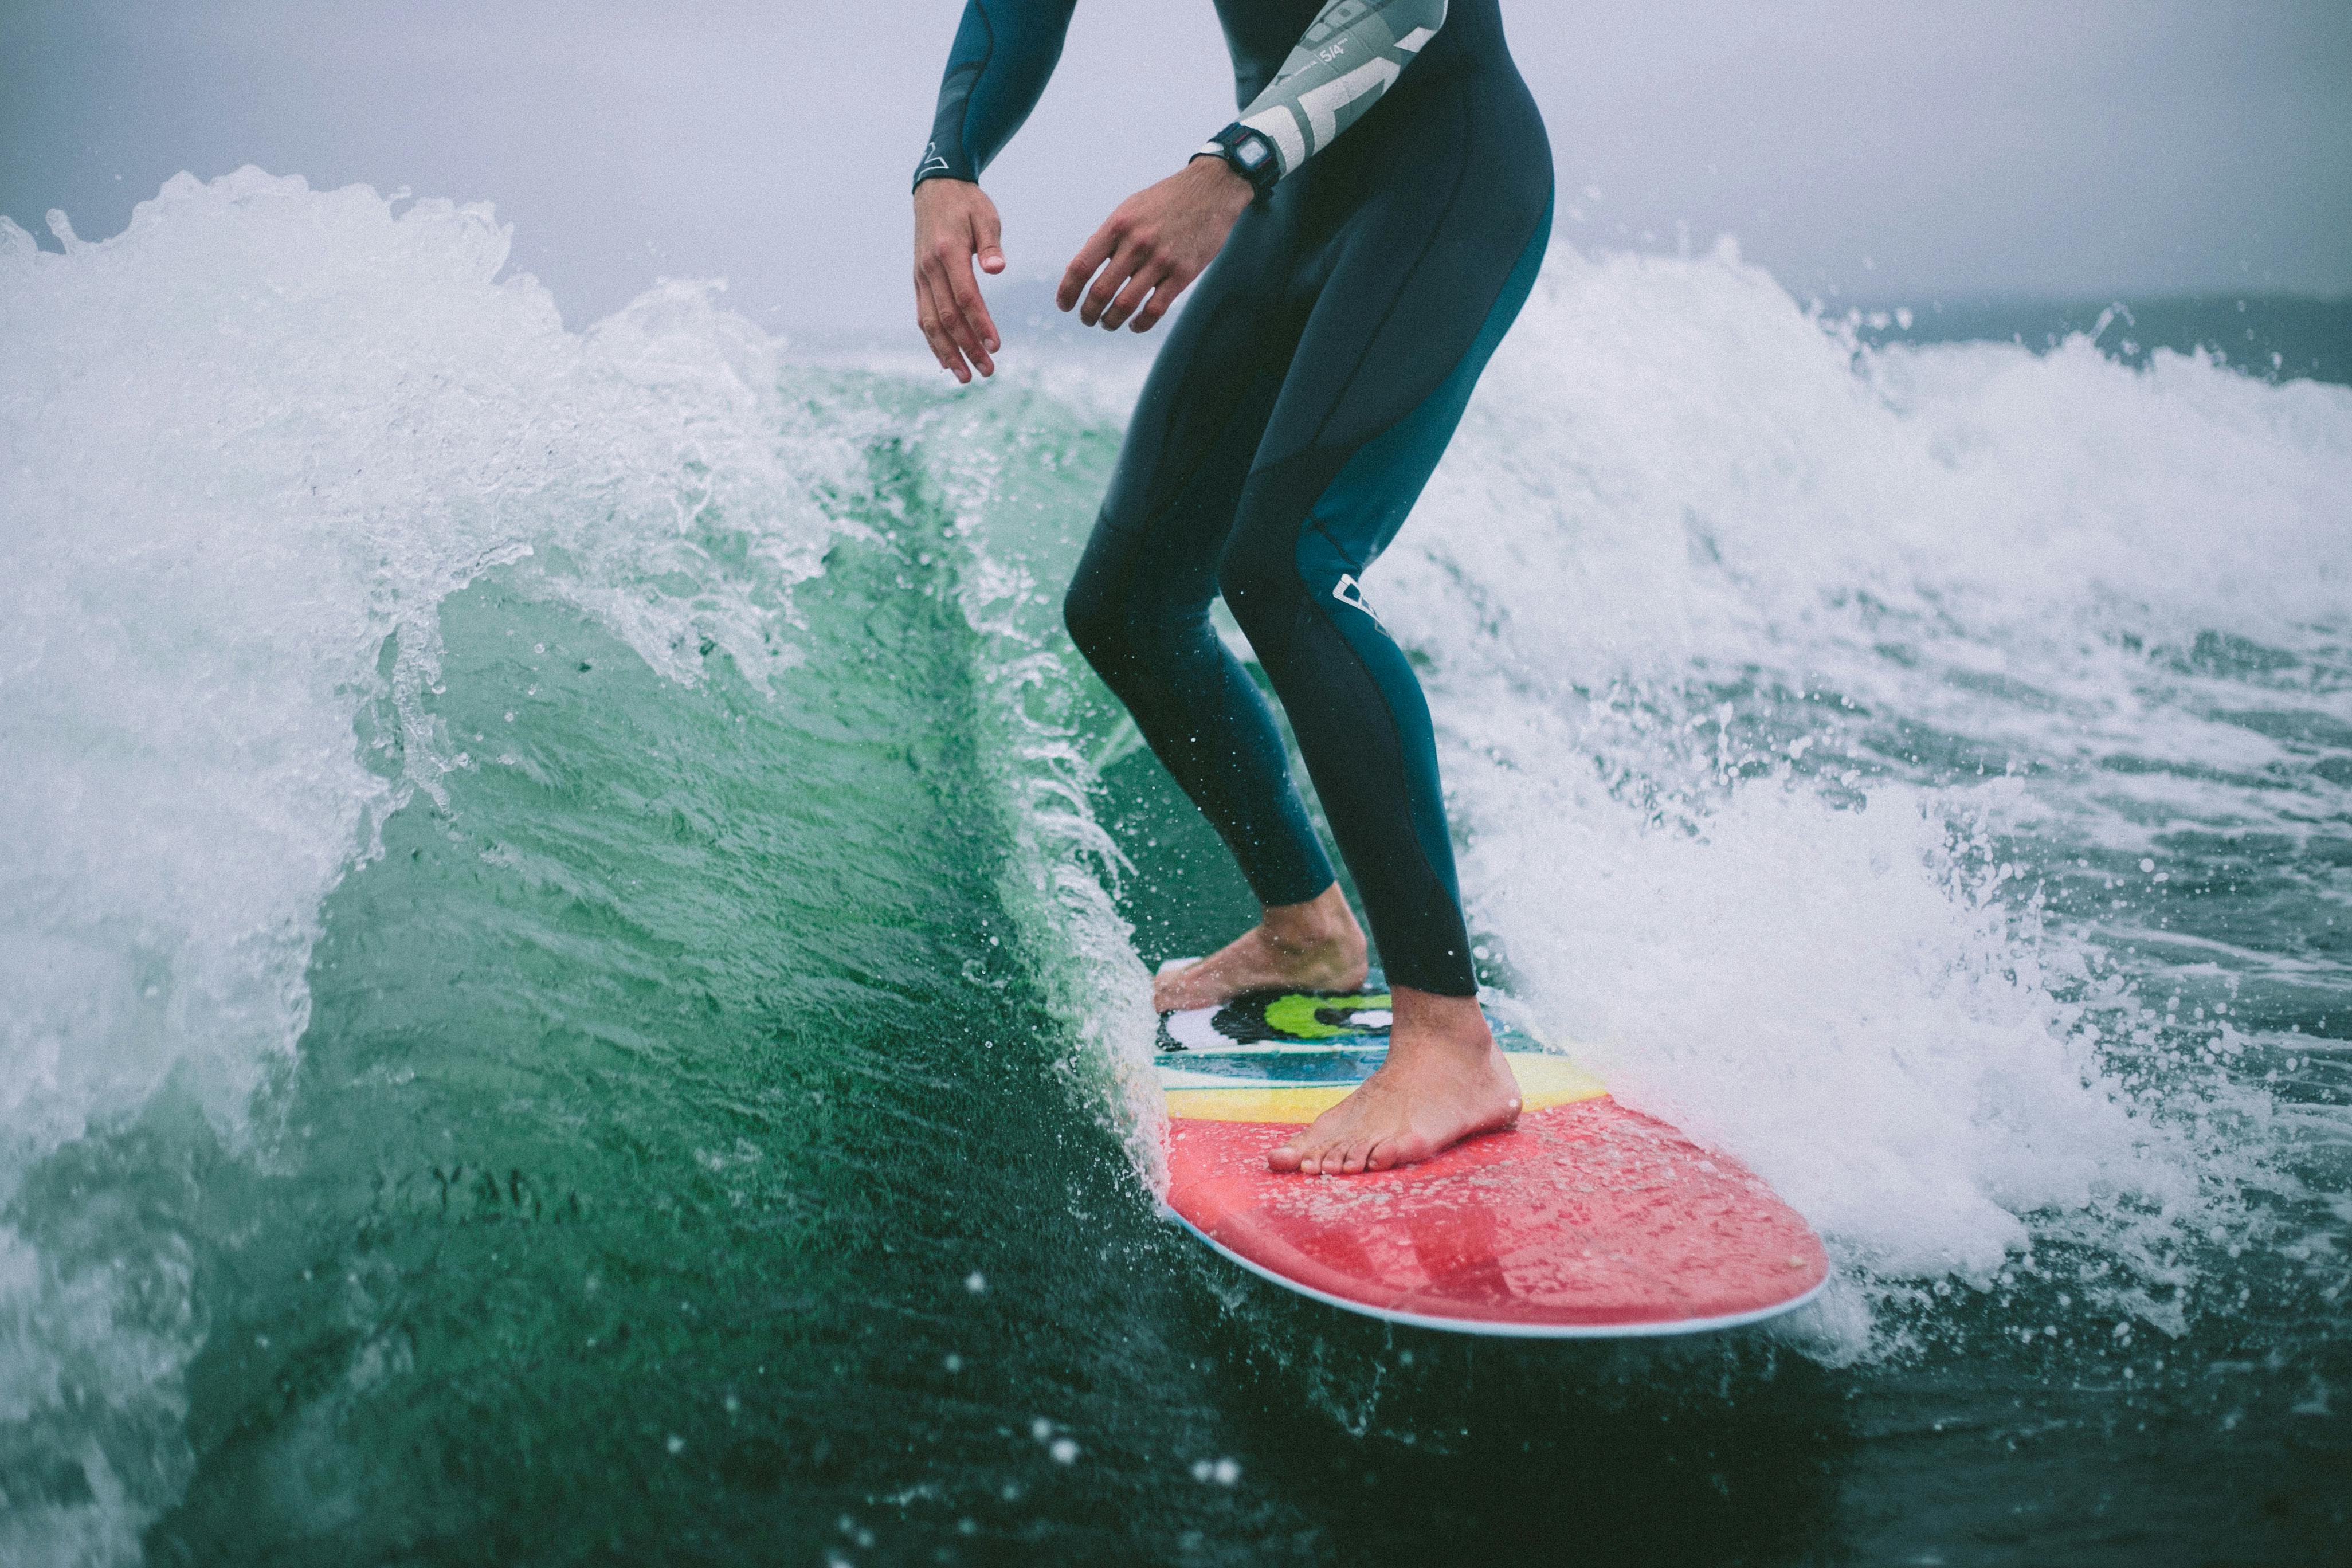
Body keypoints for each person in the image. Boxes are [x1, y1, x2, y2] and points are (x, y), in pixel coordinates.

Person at [911, 0, 1551, 1176]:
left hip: (1441, 179)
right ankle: (1306, 931)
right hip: (1294, 210)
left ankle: (1451, 1040)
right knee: (1129, 605)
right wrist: (948, 166)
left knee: (1291, 567)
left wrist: (1231, 164)